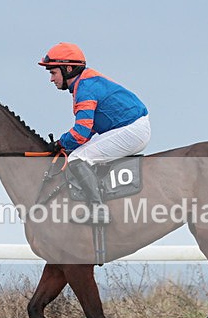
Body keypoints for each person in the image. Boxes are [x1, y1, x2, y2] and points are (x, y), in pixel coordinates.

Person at [38, 42, 151, 224]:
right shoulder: (84, 83)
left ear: (68, 69)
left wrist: (60, 144)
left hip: (132, 129)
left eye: (53, 72)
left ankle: (99, 211)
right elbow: (89, 129)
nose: (51, 79)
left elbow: (81, 133)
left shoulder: (85, 88)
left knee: (77, 159)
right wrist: (66, 145)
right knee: (77, 154)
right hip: (132, 127)